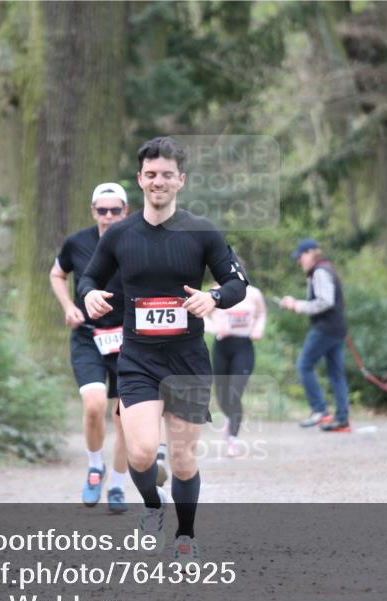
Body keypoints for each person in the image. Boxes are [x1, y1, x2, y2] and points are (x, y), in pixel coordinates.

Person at [79, 137, 247, 560]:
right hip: (138, 360)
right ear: (140, 179)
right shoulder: (119, 234)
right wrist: (89, 295)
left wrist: (213, 297)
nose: (159, 181)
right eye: (151, 174)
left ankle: (185, 534)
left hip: (187, 360)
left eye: (167, 175)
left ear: (180, 180)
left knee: (183, 457)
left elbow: (237, 283)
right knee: (139, 453)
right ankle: (153, 507)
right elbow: (88, 278)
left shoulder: (202, 231)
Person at [50, 182, 168, 514]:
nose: (108, 216)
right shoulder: (77, 243)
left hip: (129, 339)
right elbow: (57, 274)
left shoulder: (140, 243)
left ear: (125, 211)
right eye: (102, 210)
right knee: (94, 404)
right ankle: (94, 467)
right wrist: (68, 306)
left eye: (115, 210)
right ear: (93, 212)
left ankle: (116, 485)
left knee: (124, 416)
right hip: (89, 335)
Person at [279, 238, 351, 432]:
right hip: (337, 329)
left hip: (326, 329)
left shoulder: (319, 272)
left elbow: (325, 301)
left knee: (304, 365)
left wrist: (296, 305)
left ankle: (320, 411)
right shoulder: (327, 269)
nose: (299, 261)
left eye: (301, 256)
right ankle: (342, 419)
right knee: (336, 374)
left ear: (311, 253)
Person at [204, 271, 267, 457]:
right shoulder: (215, 292)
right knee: (222, 396)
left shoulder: (253, 293)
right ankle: (231, 419)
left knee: (235, 393)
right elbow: (199, 314)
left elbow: (261, 314)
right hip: (222, 347)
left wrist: (258, 329)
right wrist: (214, 328)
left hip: (244, 346)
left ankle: (233, 440)